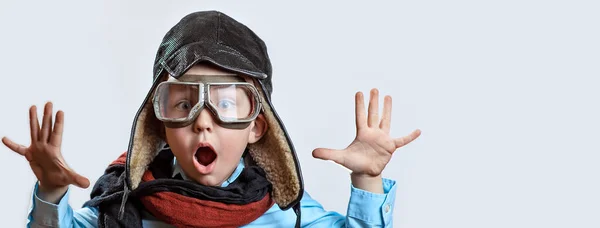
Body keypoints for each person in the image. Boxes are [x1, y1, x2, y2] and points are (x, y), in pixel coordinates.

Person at [2, 10, 421, 228]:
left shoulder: (287, 211)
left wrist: (366, 182)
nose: (203, 122)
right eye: (182, 104)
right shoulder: (123, 206)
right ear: (158, 124)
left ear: (258, 124)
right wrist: (52, 191)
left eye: (227, 104)